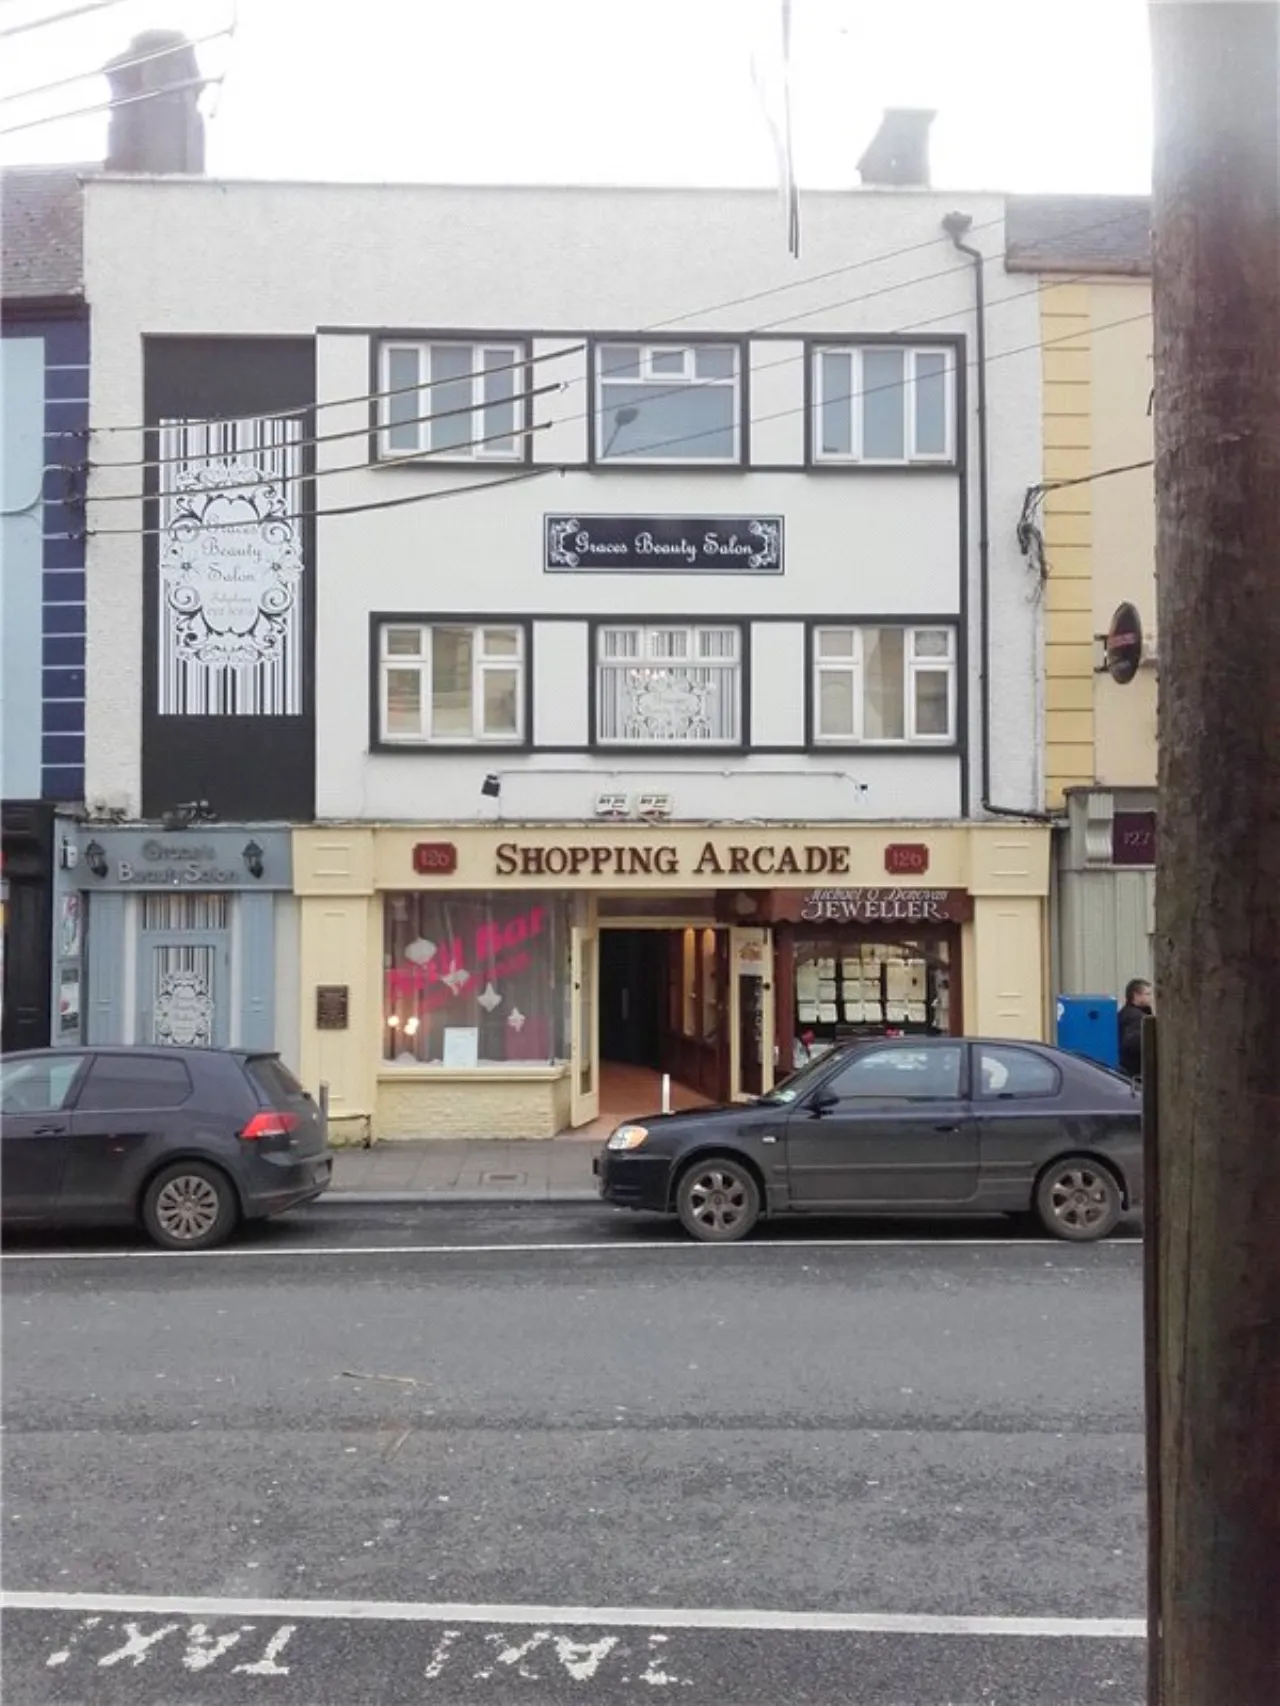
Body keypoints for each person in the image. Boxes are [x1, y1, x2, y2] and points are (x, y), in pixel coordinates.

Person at [1117, 978, 1152, 1079]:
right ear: (1136, 995)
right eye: (1148, 994)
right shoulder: (1137, 1017)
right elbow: (1133, 1043)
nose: (1151, 998)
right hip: (1135, 1073)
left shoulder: (1124, 1013)